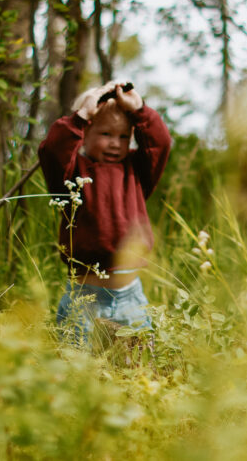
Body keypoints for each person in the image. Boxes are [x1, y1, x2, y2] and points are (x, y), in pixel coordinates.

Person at [39, 81, 171, 348]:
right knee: (76, 367)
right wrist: (82, 115)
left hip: (131, 296)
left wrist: (140, 110)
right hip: (84, 297)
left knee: (139, 367)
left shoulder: (137, 171)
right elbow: (53, 150)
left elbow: (161, 143)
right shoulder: (72, 173)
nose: (115, 144)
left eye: (124, 136)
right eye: (106, 134)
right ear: (84, 134)